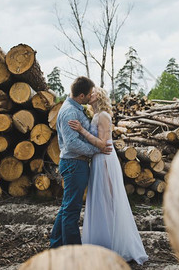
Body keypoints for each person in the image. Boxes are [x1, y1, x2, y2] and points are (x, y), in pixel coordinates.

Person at [68, 87, 149, 265]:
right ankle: (102, 243)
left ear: (101, 96)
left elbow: (103, 144)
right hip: (97, 159)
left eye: (94, 92)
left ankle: (116, 245)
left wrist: (82, 130)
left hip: (104, 160)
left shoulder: (104, 115)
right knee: (99, 200)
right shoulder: (95, 115)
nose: (90, 94)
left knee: (109, 198)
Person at [49, 77, 112, 248]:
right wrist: (96, 151)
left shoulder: (76, 108)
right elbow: (72, 144)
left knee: (67, 208)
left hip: (76, 164)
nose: (92, 95)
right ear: (82, 95)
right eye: (90, 93)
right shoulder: (70, 111)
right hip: (74, 164)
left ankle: (56, 246)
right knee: (72, 210)